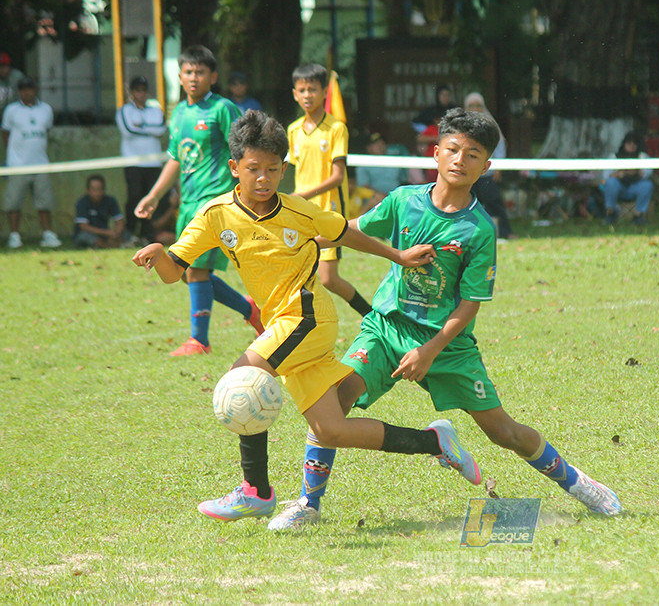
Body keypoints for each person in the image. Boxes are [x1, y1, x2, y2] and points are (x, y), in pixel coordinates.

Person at [267, 108, 621, 530]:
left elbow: (469, 305)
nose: (460, 160)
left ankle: (580, 484)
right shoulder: (403, 201)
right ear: (435, 153)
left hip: (447, 345)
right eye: (452, 149)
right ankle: (309, 504)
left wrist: (429, 351)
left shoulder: (479, 230)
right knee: (335, 402)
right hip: (387, 327)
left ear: (486, 167)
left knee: (503, 433)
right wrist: (291, 235)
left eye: (473, 155)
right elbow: (351, 228)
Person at [131, 110, 480, 522]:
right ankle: (435, 443)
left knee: (242, 377)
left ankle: (256, 491)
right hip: (282, 325)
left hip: (306, 318)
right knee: (332, 430)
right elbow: (177, 271)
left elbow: (346, 232)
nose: (263, 179)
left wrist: (397, 255)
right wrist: (159, 254)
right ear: (234, 168)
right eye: (253, 169)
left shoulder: (299, 211)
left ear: (284, 170)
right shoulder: (215, 216)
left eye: (273, 170)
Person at [134, 45, 263, 356]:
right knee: (186, 271)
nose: (194, 77)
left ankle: (199, 341)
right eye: (189, 72)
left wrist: (247, 190)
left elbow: (243, 149)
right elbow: (176, 158)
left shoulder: (222, 109)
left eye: (200, 72)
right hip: (189, 202)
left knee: (196, 271)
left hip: (214, 200)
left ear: (213, 76)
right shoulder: (179, 113)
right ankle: (250, 310)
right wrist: (154, 195)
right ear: (180, 76)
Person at [287, 63, 372, 318]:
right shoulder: (293, 130)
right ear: (294, 93)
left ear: (325, 92)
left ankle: (371, 316)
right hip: (302, 212)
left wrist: (304, 195)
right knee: (297, 272)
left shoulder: (336, 128)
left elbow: (337, 177)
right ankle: (302, 323)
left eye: (312, 89)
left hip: (328, 210)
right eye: (302, 90)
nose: (307, 95)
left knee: (329, 278)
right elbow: (300, 173)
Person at [2, 75, 60, 249]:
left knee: (44, 202)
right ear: (19, 91)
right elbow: (5, 134)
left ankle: (48, 234)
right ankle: (14, 236)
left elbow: (46, 132)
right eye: (23, 89)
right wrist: (13, 155)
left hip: (41, 163)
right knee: (14, 203)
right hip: (17, 165)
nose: (27, 92)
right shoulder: (11, 110)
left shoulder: (46, 110)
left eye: (30, 88)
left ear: (35, 90)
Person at [117, 76, 167, 243]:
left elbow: (161, 129)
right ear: (132, 92)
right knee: (134, 196)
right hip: (133, 162)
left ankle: (147, 233)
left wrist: (141, 126)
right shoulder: (124, 110)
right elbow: (128, 130)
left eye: (144, 90)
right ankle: (130, 232)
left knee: (152, 197)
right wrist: (149, 129)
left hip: (153, 162)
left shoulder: (155, 110)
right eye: (138, 90)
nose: (141, 93)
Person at [464, 92, 515, 240]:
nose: (475, 108)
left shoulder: (491, 125)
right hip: (468, 173)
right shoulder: (461, 126)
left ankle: (504, 232)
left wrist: (498, 168)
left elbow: (499, 147)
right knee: (467, 203)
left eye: (478, 106)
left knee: (494, 202)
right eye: (471, 106)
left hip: (488, 172)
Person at [602, 131, 654, 226]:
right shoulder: (614, 157)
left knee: (647, 185)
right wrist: (618, 174)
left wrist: (634, 172)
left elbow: (647, 172)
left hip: (635, 186)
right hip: (619, 186)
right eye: (629, 143)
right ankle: (610, 214)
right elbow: (606, 175)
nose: (632, 146)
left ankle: (638, 216)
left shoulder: (642, 157)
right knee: (610, 183)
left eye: (634, 144)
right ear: (624, 144)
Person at [355, 131, 407, 213]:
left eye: (382, 143)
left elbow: (403, 180)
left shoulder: (394, 159)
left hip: (396, 198)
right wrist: (383, 196)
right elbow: (364, 186)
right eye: (376, 144)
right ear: (369, 148)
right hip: (375, 200)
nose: (380, 146)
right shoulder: (364, 163)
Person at [73, 174, 124, 249]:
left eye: (99, 189)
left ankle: (115, 243)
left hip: (105, 234)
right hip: (90, 233)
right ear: (87, 190)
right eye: (94, 189)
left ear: (104, 190)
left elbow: (119, 221)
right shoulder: (82, 202)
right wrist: (107, 232)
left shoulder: (110, 200)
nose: (96, 193)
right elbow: (83, 227)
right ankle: (106, 245)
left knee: (125, 233)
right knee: (85, 236)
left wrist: (116, 234)